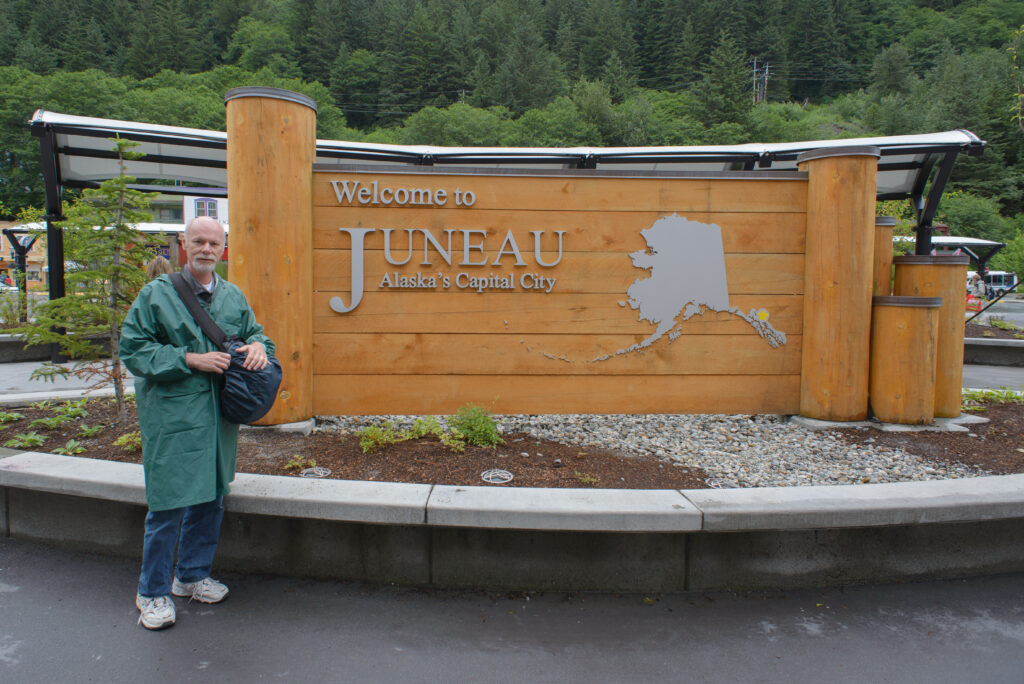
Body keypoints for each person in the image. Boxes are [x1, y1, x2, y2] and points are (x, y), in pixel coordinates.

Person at [120, 216, 275, 630]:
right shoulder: (157, 295)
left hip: (219, 418)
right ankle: (150, 592)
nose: (207, 249)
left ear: (224, 248)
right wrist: (189, 359)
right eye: (199, 242)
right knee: (168, 504)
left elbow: (257, 334)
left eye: (214, 243)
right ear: (184, 246)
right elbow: (133, 350)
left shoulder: (233, 296)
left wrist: (259, 346)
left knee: (211, 497)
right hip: (174, 418)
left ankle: (190, 576)